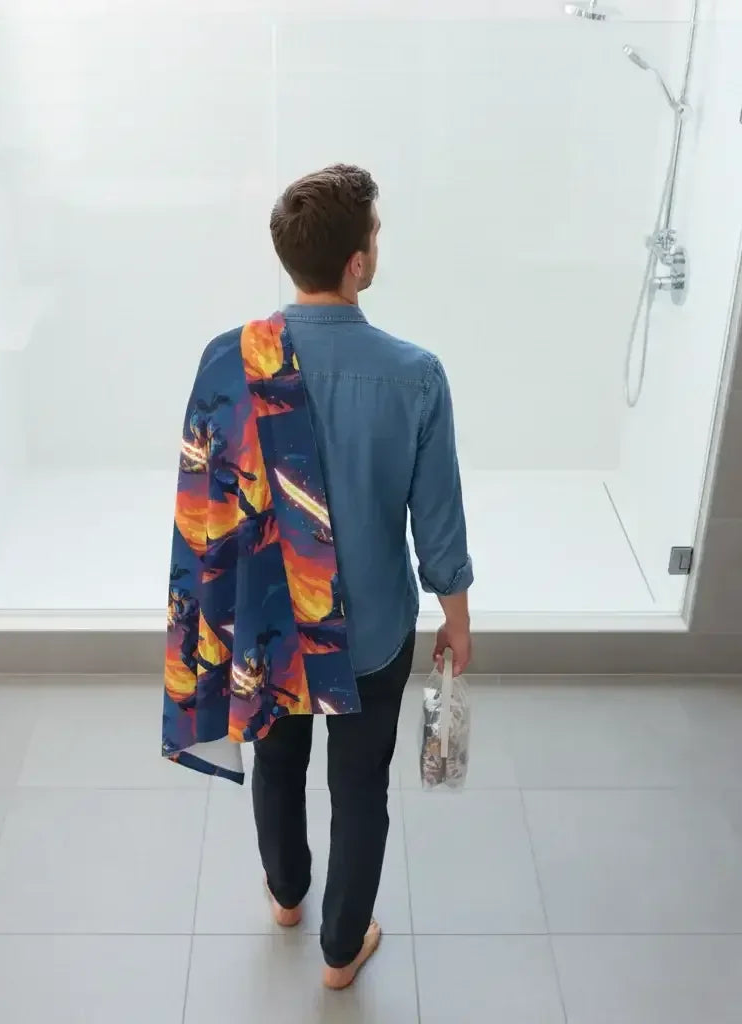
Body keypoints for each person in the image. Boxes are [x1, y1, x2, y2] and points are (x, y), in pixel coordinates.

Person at [253, 164, 473, 989]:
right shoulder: (415, 375)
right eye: (374, 234)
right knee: (358, 787)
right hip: (370, 629)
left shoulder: (238, 362)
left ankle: (285, 894)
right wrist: (455, 615)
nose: (377, 246)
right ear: (355, 262)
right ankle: (342, 950)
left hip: (271, 626)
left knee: (276, 763)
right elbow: (437, 517)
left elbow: (215, 511)